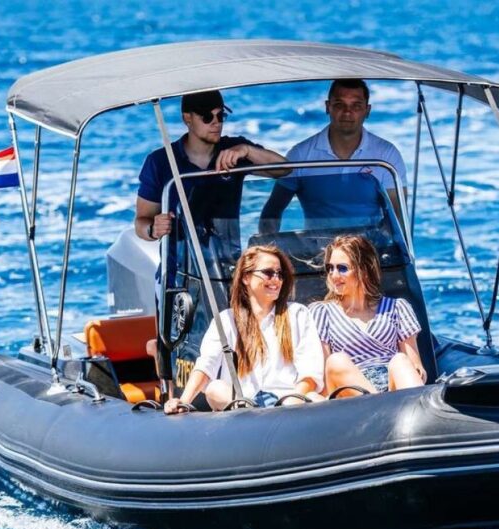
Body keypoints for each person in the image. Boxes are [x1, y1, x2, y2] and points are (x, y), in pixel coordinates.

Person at [163, 245, 325, 413]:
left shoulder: (298, 314)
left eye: (280, 274)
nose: (276, 279)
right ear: (246, 277)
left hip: (287, 405)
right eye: (268, 273)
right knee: (214, 389)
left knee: (314, 398)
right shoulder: (225, 320)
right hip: (241, 405)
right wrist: (183, 401)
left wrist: (293, 401)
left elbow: (310, 373)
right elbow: (206, 366)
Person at [134, 89, 288, 243]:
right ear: (187, 118)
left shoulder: (235, 150)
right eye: (207, 117)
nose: (216, 123)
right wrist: (153, 229)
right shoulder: (159, 161)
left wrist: (247, 150)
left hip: (227, 257)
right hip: (179, 257)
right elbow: (141, 221)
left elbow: (284, 169)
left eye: (220, 116)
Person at [260, 79, 407, 231]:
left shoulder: (387, 155)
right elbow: (272, 211)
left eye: (356, 106)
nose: (347, 112)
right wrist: (268, 244)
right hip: (316, 245)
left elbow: (398, 217)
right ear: (327, 107)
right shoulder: (300, 155)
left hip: (370, 245)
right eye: (339, 105)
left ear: (367, 110)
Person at [309, 235, 426, 397]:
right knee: (336, 361)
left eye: (342, 268)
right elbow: (324, 376)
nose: (334, 275)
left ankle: (409, 405)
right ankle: (380, 405)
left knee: (400, 360)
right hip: (351, 394)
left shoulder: (397, 308)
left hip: (393, 390)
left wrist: (415, 372)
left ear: (363, 270)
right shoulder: (321, 313)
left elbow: (416, 366)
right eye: (330, 268)